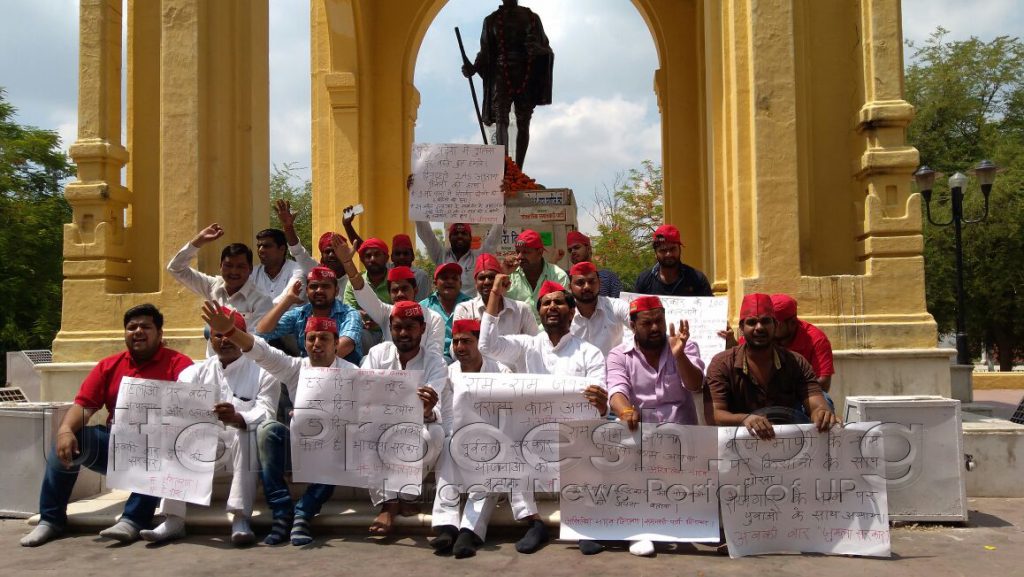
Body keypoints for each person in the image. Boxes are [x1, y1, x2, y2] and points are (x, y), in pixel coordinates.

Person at [20, 304, 193, 547]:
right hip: (116, 445)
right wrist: (65, 430)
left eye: (146, 326)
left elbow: (191, 409)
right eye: (131, 327)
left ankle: (133, 520)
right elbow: (84, 405)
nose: (138, 331)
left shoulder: (180, 363)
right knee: (71, 440)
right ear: (125, 333)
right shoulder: (109, 366)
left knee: (161, 449)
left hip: (160, 446)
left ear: (160, 333)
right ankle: (50, 520)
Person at [202, 305, 357, 546]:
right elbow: (262, 352)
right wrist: (232, 332)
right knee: (267, 430)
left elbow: (362, 416)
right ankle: (282, 512)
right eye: (311, 338)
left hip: (330, 448)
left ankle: (303, 514)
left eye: (324, 338)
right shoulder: (296, 368)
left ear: (336, 343)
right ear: (304, 342)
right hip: (297, 445)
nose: (317, 343)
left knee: (339, 444)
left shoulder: (353, 373)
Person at [478, 277, 607, 554]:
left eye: (559, 302)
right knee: (510, 437)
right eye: (546, 303)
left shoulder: (589, 352)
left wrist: (600, 399)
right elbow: (487, 347)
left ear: (571, 312)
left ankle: (583, 523)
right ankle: (533, 523)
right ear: (539, 312)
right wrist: (495, 296)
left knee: (594, 437)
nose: (552, 306)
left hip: (574, 434)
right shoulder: (527, 346)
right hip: (532, 434)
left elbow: (599, 396)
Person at [139, 308, 278, 546]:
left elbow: (267, 412)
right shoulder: (193, 372)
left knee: (247, 433)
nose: (225, 340)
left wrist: (237, 416)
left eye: (230, 334)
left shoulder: (264, 372)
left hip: (241, 446)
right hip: (202, 446)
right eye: (218, 335)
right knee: (175, 432)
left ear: (243, 335)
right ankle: (173, 519)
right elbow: (177, 408)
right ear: (210, 340)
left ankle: (240, 517)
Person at [602, 295, 705, 557]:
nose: (656, 328)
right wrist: (625, 410)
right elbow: (616, 390)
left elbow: (695, 385)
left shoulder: (685, 346)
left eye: (659, 321)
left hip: (682, 438)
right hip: (642, 439)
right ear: (633, 325)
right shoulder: (619, 355)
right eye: (647, 323)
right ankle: (639, 529)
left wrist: (679, 356)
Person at [360, 300, 446, 536]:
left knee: (435, 433)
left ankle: (406, 494)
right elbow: (365, 393)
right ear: (390, 327)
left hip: (416, 427)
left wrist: (428, 410)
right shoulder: (377, 354)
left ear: (423, 328)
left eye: (410, 327)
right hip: (381, 425)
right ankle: (389, 504)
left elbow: (434, 411)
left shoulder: (435, 362)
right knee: (365, 429)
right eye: (398, 327)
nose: (404, 333)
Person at [704, 293, 840, 440]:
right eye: (751, 322)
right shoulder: (722, 364)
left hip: (788, 443)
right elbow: (714, 415)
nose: (759, 327)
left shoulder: (796, 362)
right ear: (742, 328)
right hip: (739, 444)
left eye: (765, 321)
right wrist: (745, 419)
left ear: (775, 325)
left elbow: (816, 403)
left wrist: (821, 413)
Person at [430, 319, 510, 558]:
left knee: (491, 456)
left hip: (493, 438)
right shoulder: (448, 373)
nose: (460, 347)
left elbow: (508, 415)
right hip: (458, 436)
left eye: (466, 341)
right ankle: (446, 525)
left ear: (479, 344)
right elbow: (445, 415)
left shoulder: (501, 371)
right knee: (446, 445)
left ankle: (469, 531)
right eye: (455, 342)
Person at [462, 0, 554, 168]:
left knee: (523, 121)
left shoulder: (531, 18)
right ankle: (503, 169)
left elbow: (546, 49)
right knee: (500, 118)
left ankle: (518, 170)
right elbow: (485, 52)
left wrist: (537, 50)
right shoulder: (491, 21)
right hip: (500, 74)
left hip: (525, 72)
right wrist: (473, 68)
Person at [332, 235, 446, 356]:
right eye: (395, 290)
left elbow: (435, 357)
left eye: (404, 288)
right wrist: (348, 262)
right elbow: (362, 290)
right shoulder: (386, 313)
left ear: (416, 290)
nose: (400, 294)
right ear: (389, 293)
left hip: (424, 372)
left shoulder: (434, 318)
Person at [166, 223, 273, 329]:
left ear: (250, 269)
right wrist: (199, 240)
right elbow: (175, 268)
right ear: (220, 266)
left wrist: (229, 332)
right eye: (228, 265)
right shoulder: (212, 286)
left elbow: (255, 340)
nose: (234, 271)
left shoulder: (261, 300)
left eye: (240, 266)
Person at [254, 266, 363, 364]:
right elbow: (262, 332)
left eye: (325, 286)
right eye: (314, 286)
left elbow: (345, 346)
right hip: (308, 375)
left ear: (336, 291)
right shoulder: (299, 314)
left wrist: (309, 367)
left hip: (345, 375)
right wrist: (287, 300)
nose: (319, 290)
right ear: (306, 291)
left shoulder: (349, 314)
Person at [453, 253, 538, 365]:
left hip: (515, 376)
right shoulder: (465, 309)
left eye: (492, 277)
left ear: (501, 279)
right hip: (479, 376)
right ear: (475, 283)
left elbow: (535, 347)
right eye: (482, 278)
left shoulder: (522, 309)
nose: (487, 282)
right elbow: (455, 353)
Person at [415, 219, 503, 298]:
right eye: (455, 233)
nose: (459, 236)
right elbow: (426, 234)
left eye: (464, 233)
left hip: (470, 311)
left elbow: (492, 241)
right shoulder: (441, 254)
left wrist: (500, 217)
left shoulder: (478, 257)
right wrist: (418, 211)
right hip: (445, 310)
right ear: (449, 238)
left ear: (470, 238)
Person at [770, 294, 835, 394]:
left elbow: (823, 383)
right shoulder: (761, 335)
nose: (769, 327)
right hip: (767, 396)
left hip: (804, 395)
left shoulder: (816, 339)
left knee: (824, 400)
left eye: (775, 323)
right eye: (767, 321)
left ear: (792, 323)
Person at [566, 261, 632, 357]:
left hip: (612, 370)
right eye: (580, 283)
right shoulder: (564, 315)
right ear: (570, 287)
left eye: (591, 281)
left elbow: (641, 324)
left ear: (599, 283)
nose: (587, 287)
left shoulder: (616, 306)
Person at [341, 237, 393, 351]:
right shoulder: (353, 282)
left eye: (377, 254)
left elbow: (400, 309)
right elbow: (348, 311)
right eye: (368, 256)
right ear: (362, 260)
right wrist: (360, 316)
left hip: (392, 333)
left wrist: (380, 319)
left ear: (386, 258)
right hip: (364, 333)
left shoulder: (395, 281)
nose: (372, 259)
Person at [505, 229, 569, 321]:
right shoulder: (509, 275)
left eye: (525, 252)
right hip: (515, 333)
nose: (519, 257)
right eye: (518, 252)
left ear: (540, 252)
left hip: (549, 332)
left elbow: (564, 312)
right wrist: (503, 273)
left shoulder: (558, 276)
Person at [634, 224, 713, 297]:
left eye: (672, 249)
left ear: (679, 249)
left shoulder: (697, 279)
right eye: (663, 250)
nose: (668, 254)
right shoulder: (644, 281)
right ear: (656, 254)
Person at [420, 262, 472, 362]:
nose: (450, 281)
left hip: (465, 360)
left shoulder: (471, 305)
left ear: (460, 284)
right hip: (432, 360)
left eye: (454, 278)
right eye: (444, 278)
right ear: (435, 283)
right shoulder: (423, 307)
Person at [252, 227, 306, 304]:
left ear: (282, 249)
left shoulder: (298, 270)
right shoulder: (253, 273)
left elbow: (288, 301)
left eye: (266, 246)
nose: (260, 250)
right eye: (259, 246)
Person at [566, 231, 622, 297]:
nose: (573, 252)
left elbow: (618, 303)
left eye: (577, 247)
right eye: (570, 250)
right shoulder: (565, 277)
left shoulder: (609, 277)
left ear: (589, 249)